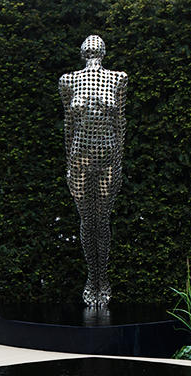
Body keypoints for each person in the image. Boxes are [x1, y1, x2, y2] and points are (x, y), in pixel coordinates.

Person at [60, 35, 127, 308]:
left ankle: (102, 279)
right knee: (87, 219)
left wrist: (119, 163)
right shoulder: (68, 80)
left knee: (102, 218)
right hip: (79, 157)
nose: (92, 49)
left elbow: (120, 123)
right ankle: (92, 279)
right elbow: (68, 126)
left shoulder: (118, 78)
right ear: (82, 52)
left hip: (108, 155)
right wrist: (69, 163)